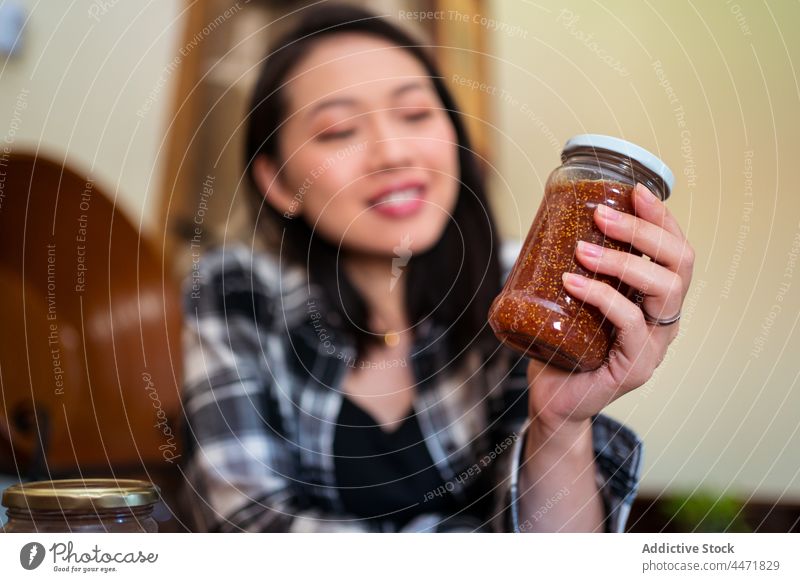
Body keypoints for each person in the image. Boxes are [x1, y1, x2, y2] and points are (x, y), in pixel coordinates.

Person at [181, 4, 694, 533]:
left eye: (415, 114)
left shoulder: (532, 292)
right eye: (337, 131)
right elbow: (240, 522)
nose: (393, 153)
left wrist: (559, 424)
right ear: (280, 183)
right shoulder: (235, 293)